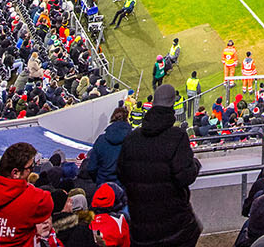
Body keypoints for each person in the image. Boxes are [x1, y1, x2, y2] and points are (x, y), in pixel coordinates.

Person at [119, 85, 202, 247]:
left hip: (141, 227)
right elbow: (185, 176)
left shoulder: (131, 139)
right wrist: (195, 165)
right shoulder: (177, 137)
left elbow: (122, 174)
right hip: (174, 226)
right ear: (171, 106)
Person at [0, 142, 55, 247]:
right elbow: (47, 204)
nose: (31, 171)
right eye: (30, 167)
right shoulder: (36, 199)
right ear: (15, 173)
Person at [80, 104, 132, 190]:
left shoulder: (101, 140)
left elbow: (91, 167)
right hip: (121, 188)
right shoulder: (132, 140)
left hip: (104, 187)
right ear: (126, 119)